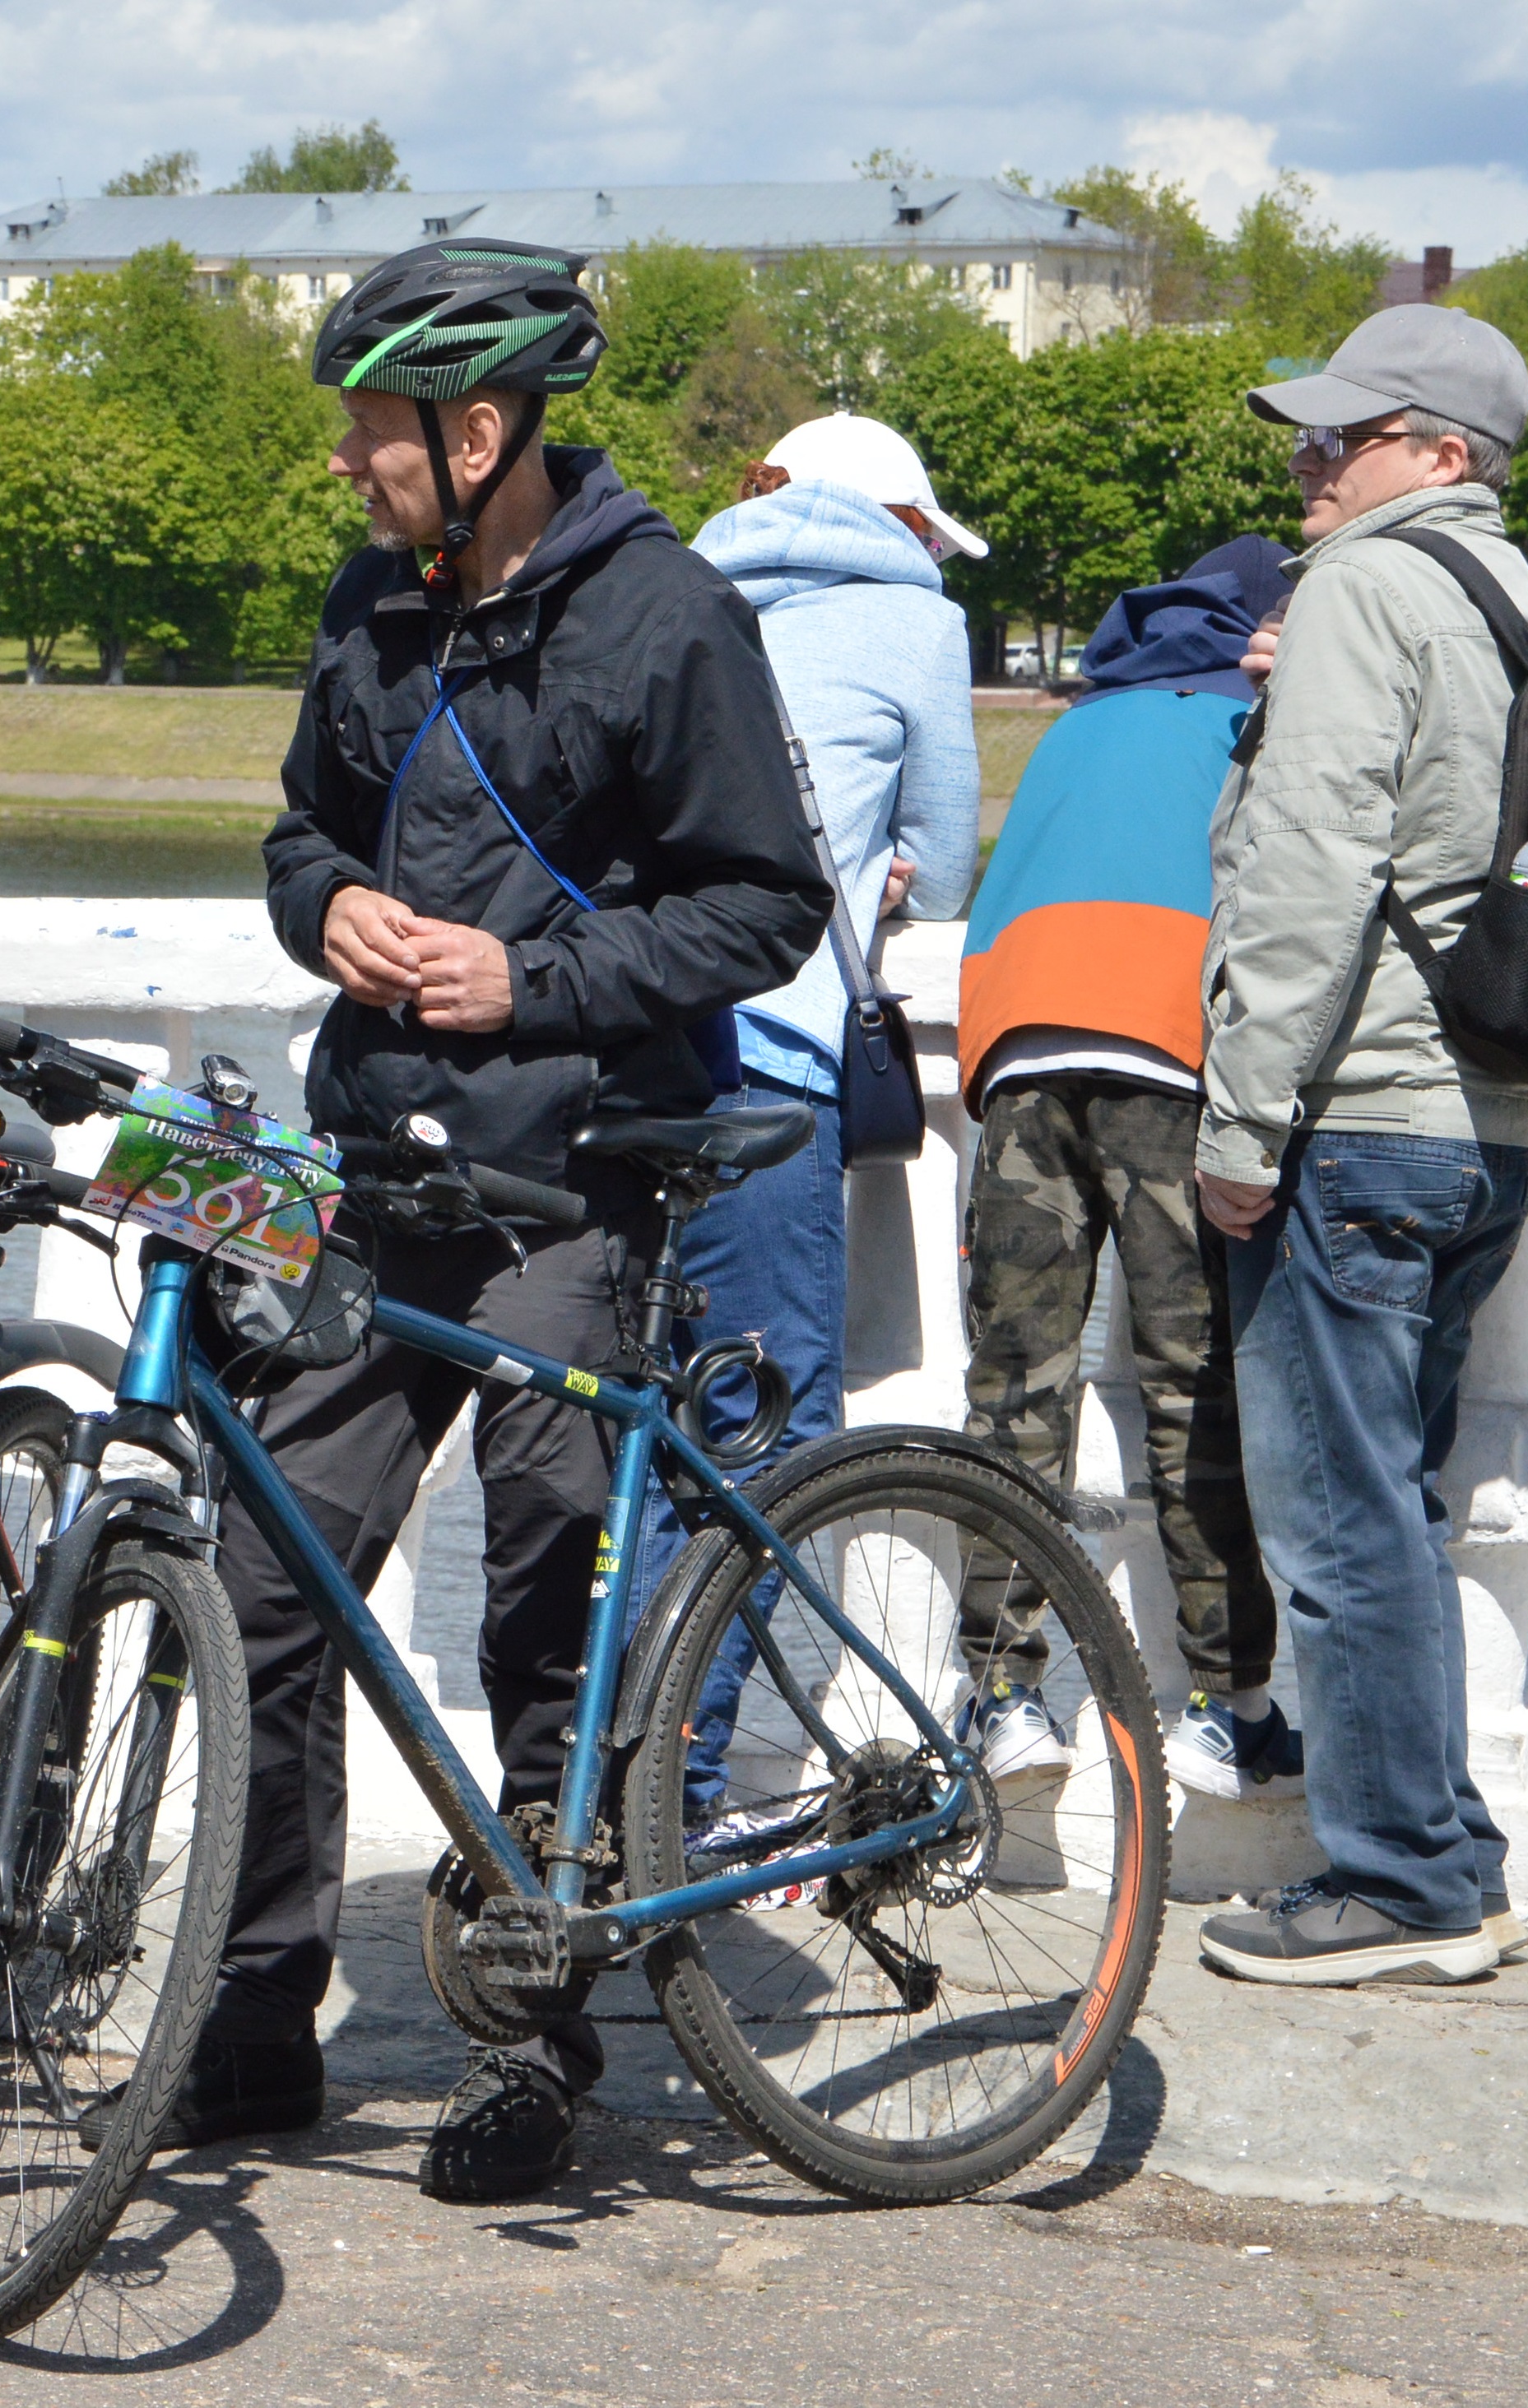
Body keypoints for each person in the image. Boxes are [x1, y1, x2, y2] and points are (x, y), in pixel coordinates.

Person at [193, 239, 829, 2202]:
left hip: (574, 1183)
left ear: (478, 435)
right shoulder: (372, 603)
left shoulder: (670, 616)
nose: (345, 466)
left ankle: (538, 2040)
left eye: (372, 434)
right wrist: (327, 910)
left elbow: (766, 904)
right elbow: (302, 829)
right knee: (264, 1575)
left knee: (550, 1597)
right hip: (379, 1176)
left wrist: (528, 985)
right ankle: (254, 2005)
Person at [1191, 304, 1528, 1986]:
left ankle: (1399, 1887)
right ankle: (1454, 1863)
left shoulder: (1363, 589)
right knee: (1392, 1514)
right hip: (1481, 1124)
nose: (1308, 461)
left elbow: (1309, 872)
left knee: (1338, 1530)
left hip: (1351, 1122)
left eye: (1346, 433)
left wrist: (1243, 1122)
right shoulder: (1520, 596)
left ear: (1442, 453)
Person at [626, 411, 981, 1809]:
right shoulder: (916, 623)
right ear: (900, 523)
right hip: (764, 1066)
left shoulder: (665, 590)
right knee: (759, 1439)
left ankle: (577, 1790)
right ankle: (670, 1796)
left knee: (616, 1435)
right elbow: (940, 862)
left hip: (615, 1056)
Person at [951, 536, 1297, 1801]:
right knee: (1191, 1385)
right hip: (1164, 1049)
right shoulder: (1254, 717)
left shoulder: (1079, 719)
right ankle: (1224, 1705)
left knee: (1014, 1385)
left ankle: (996, 1695)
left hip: (1021, 1047)